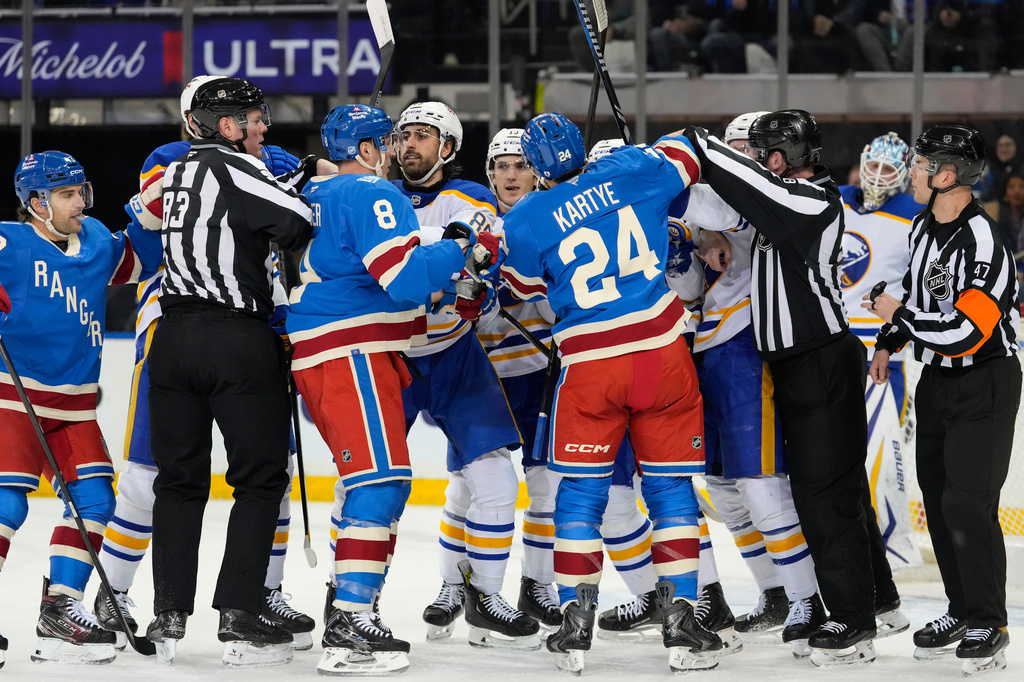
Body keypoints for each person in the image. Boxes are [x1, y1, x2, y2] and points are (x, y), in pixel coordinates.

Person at [94, 75, 316, 651]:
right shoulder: (235, 166)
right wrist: (307, 177)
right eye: (255, 117)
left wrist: (281, 175)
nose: (264, 126)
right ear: (225, 125)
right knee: (263, 480)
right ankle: (239, 609)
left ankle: (168, 614)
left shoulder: (177, 171)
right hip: (235, 339)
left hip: (173, 342)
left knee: (179, 483)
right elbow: (298, 226)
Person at [503, 112, 722, 675]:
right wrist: (635, 154)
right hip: (661, 354)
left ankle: (576, 628)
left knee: (579, 496)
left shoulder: (526, 216)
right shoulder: (633, 167)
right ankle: (681, 624)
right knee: (671, 489)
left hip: (590, 366)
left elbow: (527, 286)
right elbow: (692, 147)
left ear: (533, 165)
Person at [286, 103, 498, 675]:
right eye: (386, 141)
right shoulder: (371, 195)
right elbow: (403, 282)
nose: (392, 152)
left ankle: (347, 604)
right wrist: (459, 251)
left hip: (324, 350)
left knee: (368, 481)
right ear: (366, 149)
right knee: (381, 480)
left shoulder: (311, 195)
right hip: (351, 349)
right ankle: (351, 620)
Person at [679, 110, 891, 666]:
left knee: (827, 494)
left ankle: (851, 619)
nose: (762, 161)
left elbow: (744, 190)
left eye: (766, 152)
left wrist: (698, 145)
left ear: (783, 158)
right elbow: (718, 205)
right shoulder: (782, 199)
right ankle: (875, 600)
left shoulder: (813, 201)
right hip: (797, 367)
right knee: (823, 491)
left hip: (822, 360)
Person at [865, 124, 1019, 676]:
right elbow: (913, 285)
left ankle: (989, 621)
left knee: (967, 503)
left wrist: (894, 318)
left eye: (922, 163)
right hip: (937, 382)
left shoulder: (986, 243)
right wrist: (890, 340)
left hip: (985, 381)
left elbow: (966, 333)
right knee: (938, 497)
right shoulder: (926, 224)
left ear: (947, 175)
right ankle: (961, 610)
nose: (913, 170)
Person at [670, 112, 825, 655]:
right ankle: (776, 593)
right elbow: (691, 281)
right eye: (735, 148)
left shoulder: (769, 197)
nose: (743, 159)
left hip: (748, 346)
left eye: (750, 149)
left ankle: (809, 599)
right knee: (724, 490)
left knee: (761, 484)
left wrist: (653, 181)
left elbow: (707, 204)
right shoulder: (722, 204)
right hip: (707, 345)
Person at [388, 102, 539, 649]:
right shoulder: (372, 198)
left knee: (496, 478)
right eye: (403, 134)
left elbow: (487, 267)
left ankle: (486, 597)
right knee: (372, 487)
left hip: (454, 352)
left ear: (446, 148)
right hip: (391, 356)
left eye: (423, 135)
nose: (410, 144)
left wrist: (485, 287)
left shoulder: (472, 199)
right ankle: (353, 604)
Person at [0, 151, 158, 665]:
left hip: (73, 405)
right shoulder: (9, 241)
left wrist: (157, 210)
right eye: (66, 194)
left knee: (96, 502)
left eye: (80, 191)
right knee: (6, 506)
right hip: (12, 396)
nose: (79, 203)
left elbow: (142, 258)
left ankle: (60, 608)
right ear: (35, 202)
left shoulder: (94, 242)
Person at [473, 128, 563, 628]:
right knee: (472, 489)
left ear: (537, 171)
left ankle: (538, 585)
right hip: (484, 376)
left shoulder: (553, 223)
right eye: (502, 166)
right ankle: (458, 588)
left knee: (545, 485)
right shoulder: (475, 222)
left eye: (521, 165)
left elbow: (563, 302)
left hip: (541, 371)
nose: (511, 175)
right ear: (491, 174)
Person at [839, 132, 925, 580]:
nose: (876, 178)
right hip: (832, 347)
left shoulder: (916, 217)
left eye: (888, 171)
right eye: (871, 167)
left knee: (881, 448)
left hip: (882, 355)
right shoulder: (837, 199)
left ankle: (895, 545)